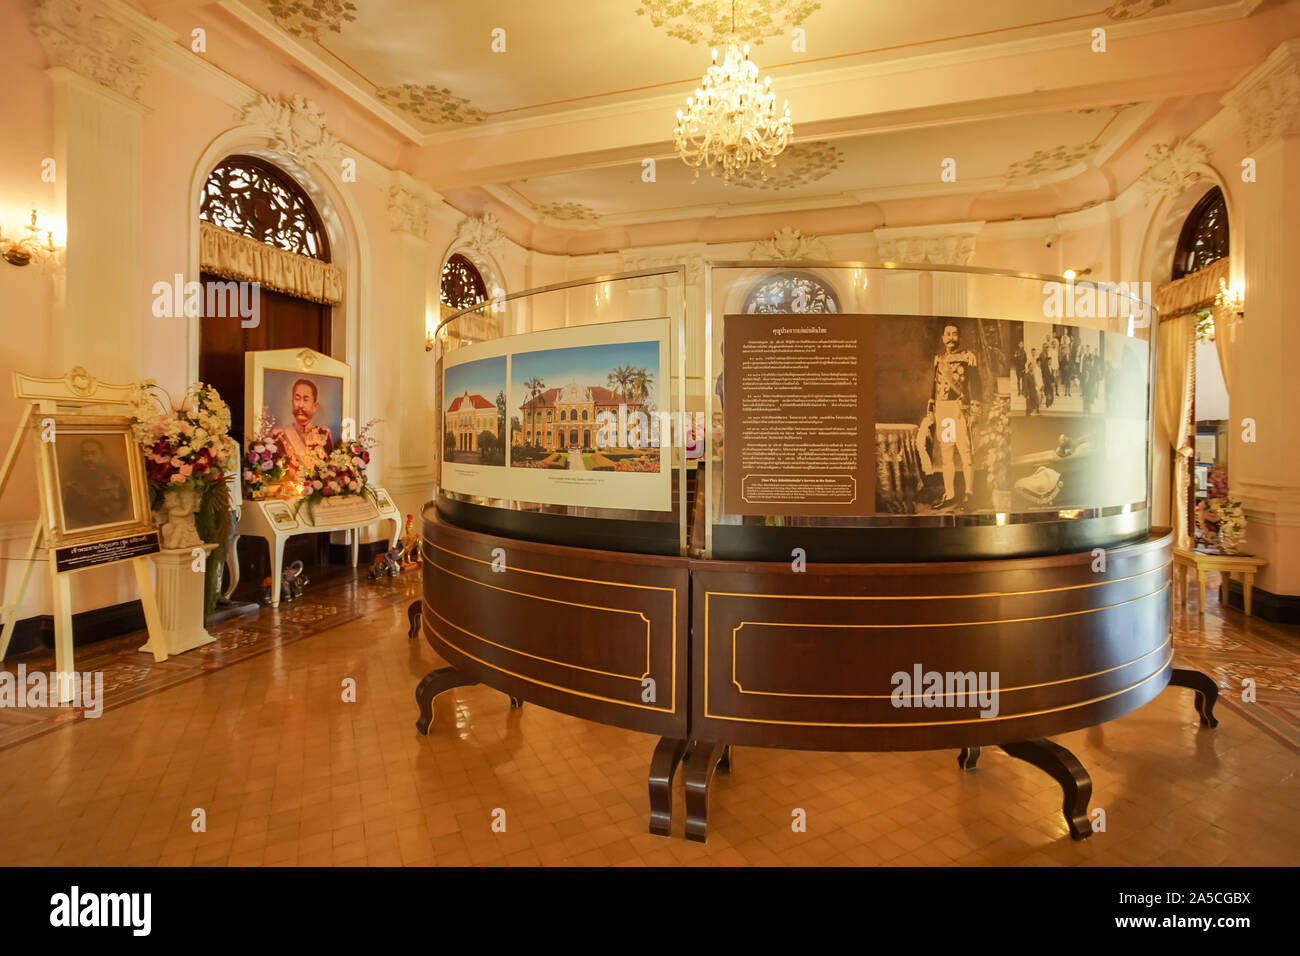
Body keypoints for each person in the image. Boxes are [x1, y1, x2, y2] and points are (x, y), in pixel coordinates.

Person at [926, 323, 981, 510]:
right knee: (947, 453)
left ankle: (969, 495)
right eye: (948, 334)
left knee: (966, 453)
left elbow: (975, 385)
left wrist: (974, 410)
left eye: (955, 334)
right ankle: (950, 495)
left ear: (960, 338)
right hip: (944, 412)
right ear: (943, 338)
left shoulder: (968, 358)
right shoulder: (939, 359)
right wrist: (932, 410)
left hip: (959, 410)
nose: (951, 338)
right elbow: (934, 387)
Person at [61, 437, 130, 529]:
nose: (89, 458)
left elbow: (124, 505)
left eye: (93, 453)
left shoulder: (115, 478)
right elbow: (68, 510)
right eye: (85, 454)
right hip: (84, 528)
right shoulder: (73, 481)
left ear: (101, 455)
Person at [272, 377, 335, 473]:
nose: (300, 404)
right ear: (292, 402)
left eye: (306, 400)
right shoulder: (280, 436)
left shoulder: (324, 434)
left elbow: (331, 470)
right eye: (297, 399)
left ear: (315, 406)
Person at [1025, 348, 1042, 415]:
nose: (1033, 353)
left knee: (1038, 396)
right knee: (1033, 396)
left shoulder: (1037, 359)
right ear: (1031, 352)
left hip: (1035, 376)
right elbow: (1028, 366)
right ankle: (1032, 409)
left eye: (1034, 352)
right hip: (1031, 376)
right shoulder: (1029, 359)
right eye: (1032, 352)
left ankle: (1037, 408)